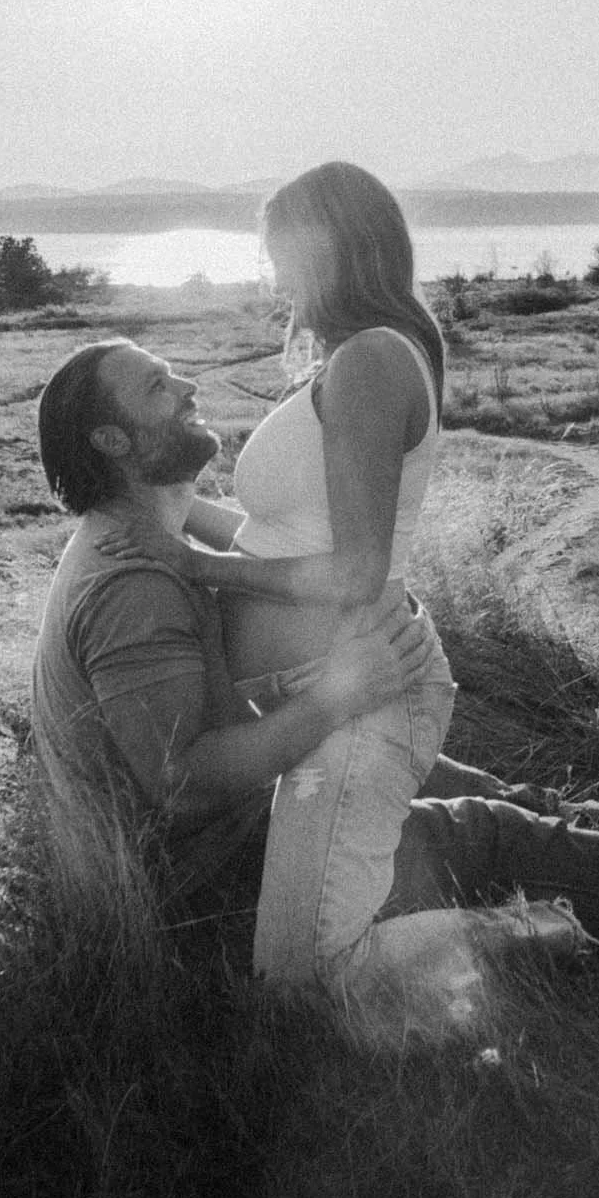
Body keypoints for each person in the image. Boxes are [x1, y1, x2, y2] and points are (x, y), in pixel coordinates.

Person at [29, 336, 599, 1016]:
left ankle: (584, 826)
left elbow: (231, 586)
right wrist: (347, 688)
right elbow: (181, 784)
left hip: (203, 857)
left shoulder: (146, 544)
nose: (185, 387)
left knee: (395, 760)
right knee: (473, 833)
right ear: (114, 440)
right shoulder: (133, 585)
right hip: (202, 893)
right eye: (157, 387)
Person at [97, 162, 459, 991]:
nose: (274, 272)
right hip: (318, 689)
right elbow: (283, 535)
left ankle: (524, 930)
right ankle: (545, 851)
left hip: (366, 685)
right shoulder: (356, 358)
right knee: (321, 934)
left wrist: (200, 567)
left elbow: (358, 571)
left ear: (332, 249)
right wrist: (161, 507)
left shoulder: (371, 361)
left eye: (280, 252)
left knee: (301, 978)